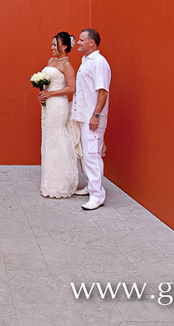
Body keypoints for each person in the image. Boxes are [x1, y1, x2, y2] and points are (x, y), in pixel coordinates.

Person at [36, 31, 80, 198]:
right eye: (52, 44)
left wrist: (50, 94)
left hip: (58, 105)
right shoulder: (51, 61)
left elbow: (71, 88)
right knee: (48, 140)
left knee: (57, 139)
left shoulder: (67, 65)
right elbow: (46, 81)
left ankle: (60, 184)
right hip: (48, 105)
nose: (52, 47)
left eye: (55, 45)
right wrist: (42, 92)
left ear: (64, 46)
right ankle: (48, 183)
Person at [71, 28, 111, 211]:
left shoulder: (99, 63)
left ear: (91, 43)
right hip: (84, 115)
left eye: (81, 40)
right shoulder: (86, 61)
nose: (77, 43)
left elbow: (102, 91)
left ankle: (97, 195)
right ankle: (91, 186)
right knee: (87, 154)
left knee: (92, 155)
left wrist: (96, 115)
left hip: (92, 117)